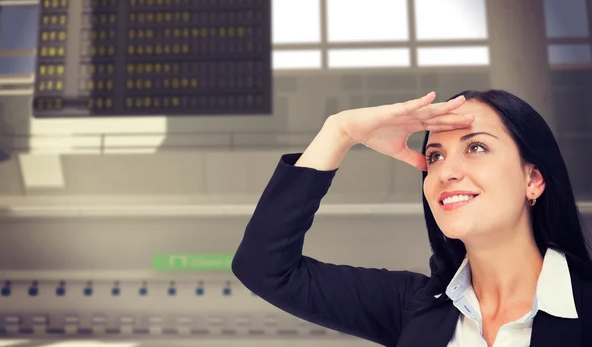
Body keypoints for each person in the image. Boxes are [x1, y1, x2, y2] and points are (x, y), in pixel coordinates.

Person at [231, 90, 592, 347]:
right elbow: (265, 268)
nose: (446, 171)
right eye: (434, 156)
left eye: (476, 147)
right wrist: (340, 132)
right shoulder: (415, 305)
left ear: (533, 179)